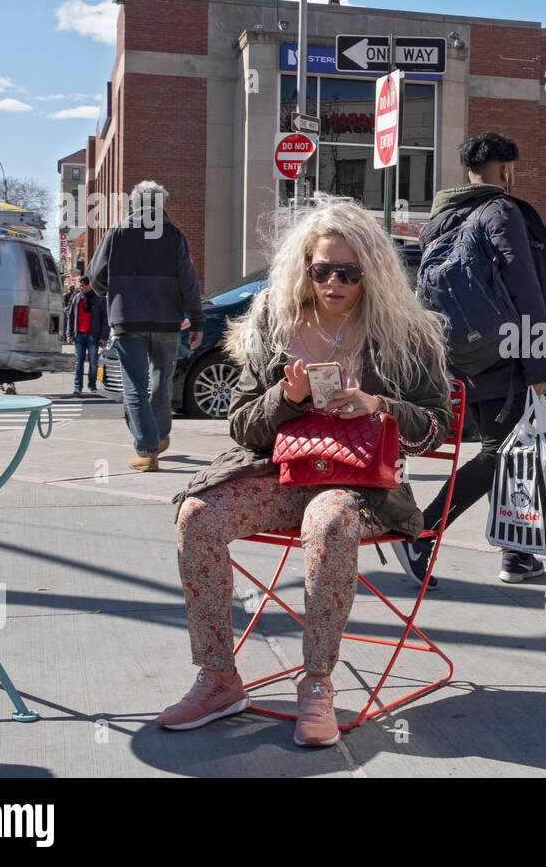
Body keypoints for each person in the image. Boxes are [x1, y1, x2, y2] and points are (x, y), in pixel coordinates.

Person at [160, 200, 452, 747]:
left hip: (358, 485)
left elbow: (437, 426)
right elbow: (242, 426)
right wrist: (285, 397)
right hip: (279, 474)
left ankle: (316, 683)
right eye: (322, 270)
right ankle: (218, 677)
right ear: (305, 267)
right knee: (197, 514)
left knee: (329, 520)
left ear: (374, 272)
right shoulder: (276, 319)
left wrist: (378, 404)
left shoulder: (405, 332)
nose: (334, 282)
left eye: (349, 272)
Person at [390, 133, 546, 589]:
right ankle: (422, 531)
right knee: (499, 455)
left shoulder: (440, 219)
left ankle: (517, 555)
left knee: (516, 452)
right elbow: (526, 287)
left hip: (466, 356)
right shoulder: (501, 211)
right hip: (509, 358)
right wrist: (542, 365)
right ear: (506, 170)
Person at [88, 182, 204, 472]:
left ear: (134, 203)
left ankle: (147, 449)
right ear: (161, 204)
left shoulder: (117, 232)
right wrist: (197, 319)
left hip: (128, 319)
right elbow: (188, 281)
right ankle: (159, 436)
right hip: (167, 321)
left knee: (135, 388)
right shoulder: (174, 235)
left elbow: (95, 275)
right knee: (162, 382)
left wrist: (111, 293)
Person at [65, 276, 109, 395]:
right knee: (78, 362)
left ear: (89, 285)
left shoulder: (99, 298)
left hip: (93, 335)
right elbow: (71, 317)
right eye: (79, 285)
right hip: (79, 335)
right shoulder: (76, 298)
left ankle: (92, 386)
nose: (80, 287)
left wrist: (104, 337)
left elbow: (106, 319)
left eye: (82, 285)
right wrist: (69, 334)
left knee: (93, 362)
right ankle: (78, 386)